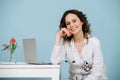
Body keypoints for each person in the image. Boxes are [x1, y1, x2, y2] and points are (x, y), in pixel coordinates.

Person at [51, 9, 108, 80]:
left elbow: (97, 73)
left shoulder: (94, 42)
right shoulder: (66, 44)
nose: (71, 25)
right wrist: (58, 37)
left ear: (82, 21)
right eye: (68, 23)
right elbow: (54, 61)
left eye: (74, 21)